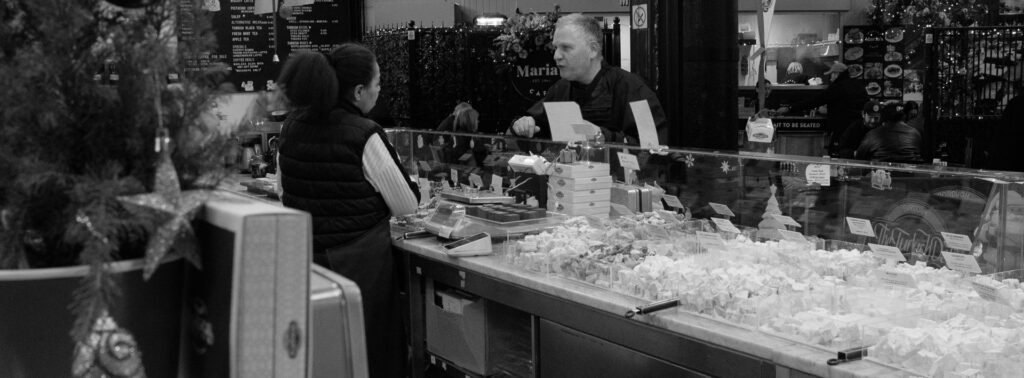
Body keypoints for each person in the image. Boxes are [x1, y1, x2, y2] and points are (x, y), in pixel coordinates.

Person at [275, 45, 418, 378]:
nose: (379, 90)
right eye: (378, 83)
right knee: (369, 353)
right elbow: (406, 205)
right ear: (358, 91)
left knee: (325, 353)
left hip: (308, 260)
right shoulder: (363, 133)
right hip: (359, 265)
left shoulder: (292, 124)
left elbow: (283, 192)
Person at [509, 13, 667, 143]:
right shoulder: (560, 89)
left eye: (566, 48)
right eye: (556, 47)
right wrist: (523, 123)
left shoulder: (632, 89)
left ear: (593, 50)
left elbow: (654, 147)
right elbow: (536, 122)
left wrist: (601, 136)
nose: (556, 56)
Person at [776, 61, 868, 156]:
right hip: (859, 130)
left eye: (831, 75)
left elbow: (815, 101)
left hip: (842, 130)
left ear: (837, 74)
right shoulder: (859, 86)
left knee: (837, 155)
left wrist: (790, 108)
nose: (831, 78)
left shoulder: (837, 87)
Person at [855, 102, 923, 163]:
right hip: (911, 175)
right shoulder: (915, 133)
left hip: (882, 174)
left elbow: (859, 157)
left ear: (883, 118)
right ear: (904, 117)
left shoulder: (873, 134)